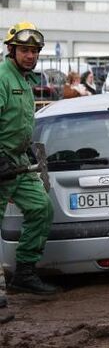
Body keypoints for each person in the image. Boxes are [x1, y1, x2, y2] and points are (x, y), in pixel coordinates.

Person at [0, 23, 58, 303]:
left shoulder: (24, 80)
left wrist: (27, 149)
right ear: (11, 50)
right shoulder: (2, 78)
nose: (30, 56)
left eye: (34, 51)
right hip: (1, 162)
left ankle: (23, 275)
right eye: (24, 50)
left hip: (17, 162)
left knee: (41, 208)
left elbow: (18, 122)